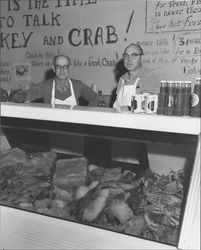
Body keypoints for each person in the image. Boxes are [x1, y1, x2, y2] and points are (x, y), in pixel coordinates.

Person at [24, 54, 98, 106]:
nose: (62, 70)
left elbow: (95, 97)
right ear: (54, 68)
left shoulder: (77, 85)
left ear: (69, 68)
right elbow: (31, 93)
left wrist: (86, 115)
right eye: (58, 67)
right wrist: (21, 96)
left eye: (65, 67)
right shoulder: (46, 86)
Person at [113, 43, 160, 112]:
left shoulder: (150, 78)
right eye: (126, 56)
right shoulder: (122, 79)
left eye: (134, 55)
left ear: (141, 58)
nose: (129, 59)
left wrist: (129, 108)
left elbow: (150, 106)